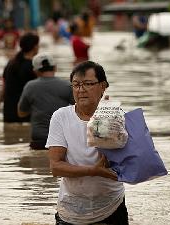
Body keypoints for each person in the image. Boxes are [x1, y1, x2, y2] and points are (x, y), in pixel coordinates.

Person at [46, 61, 128, 224]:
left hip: (111, 207)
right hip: (71, 211)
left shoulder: (115, 114)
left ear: (103, 86)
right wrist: (93, 171)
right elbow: (56, 167)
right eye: (76, 85)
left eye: (88, 84)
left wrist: (105, 116)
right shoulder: (61, 117)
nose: (81, 90)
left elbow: (126, 161)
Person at [17, 53, 74, 150]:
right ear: (55, 68)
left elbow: (21, 113)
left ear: (35, 71)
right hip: (61, 140)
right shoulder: (67, 86)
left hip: (38, 140)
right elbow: (80, 110)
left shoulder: (30, 86)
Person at [0, 32, 39, 123]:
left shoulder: (11, 63)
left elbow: (3, 90)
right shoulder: (34, 67)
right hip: (25, 113)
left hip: (9, 113)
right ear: (35, 47)